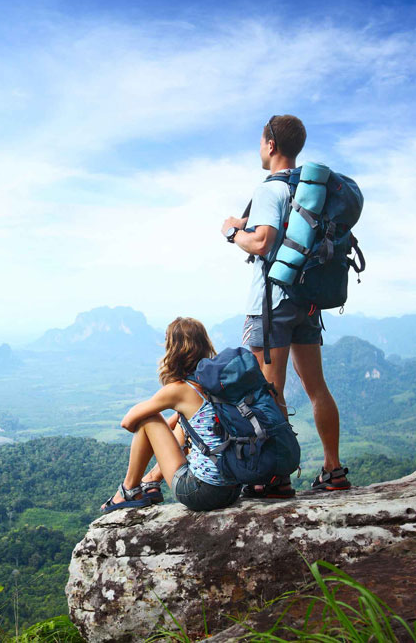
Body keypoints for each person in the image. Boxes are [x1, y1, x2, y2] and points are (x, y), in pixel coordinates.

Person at [220, 115, 350, 497]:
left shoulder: (269, 190)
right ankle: (333, 469)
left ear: (271, 144)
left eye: (261, 142)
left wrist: (232, 232)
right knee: (317, 388)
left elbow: (261, 242)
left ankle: (274, 476)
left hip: (272, 304)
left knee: (268, 390)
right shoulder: (309, 190)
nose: (260, 148)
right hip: (308, 302)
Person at [100, 317, 243, 513]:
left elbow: (128, 422)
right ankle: (150, 481)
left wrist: (152, 422)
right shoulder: (215, 384)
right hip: (232, 489)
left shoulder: (180, 389)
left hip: (202, 493)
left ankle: (128, 490)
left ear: (174, 349)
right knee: (179, 420)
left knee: (150, 418)